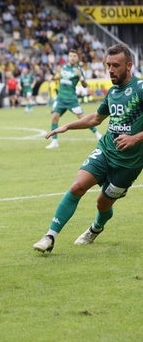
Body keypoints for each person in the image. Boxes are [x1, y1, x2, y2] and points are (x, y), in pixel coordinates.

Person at [33, 43, 143, 253]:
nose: (110, 70)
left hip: (129, 164)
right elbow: (95, 118)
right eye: (108, 65)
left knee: (103, 204)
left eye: (115, 65)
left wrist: (135, 138)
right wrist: (67, 126)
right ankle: (50, 236)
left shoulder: (140, 89)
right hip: (106, 150)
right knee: (77, 186)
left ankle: (96, 228)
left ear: (129, 65)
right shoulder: (112, 92)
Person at [45, 49, 102, 149]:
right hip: (60, 99)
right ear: (68, 57)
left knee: (83, 119)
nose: (72, 58)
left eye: (74, 56)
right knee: (54, 117)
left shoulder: (79, 70)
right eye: (70, 56)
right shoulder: (63, 67)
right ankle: (54, 141)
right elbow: (61, 77)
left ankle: (97, 134)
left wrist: (81, 78)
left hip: (72, 99)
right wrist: (54, 78)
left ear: (77, 58)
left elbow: (84, 85)